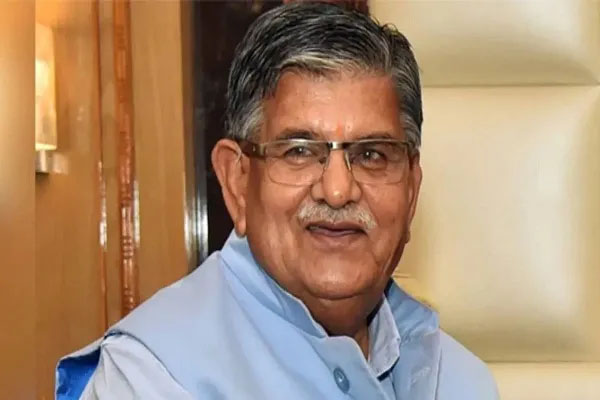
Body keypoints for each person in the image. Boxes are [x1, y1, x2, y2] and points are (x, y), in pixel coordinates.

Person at [56, 2, 498, 399]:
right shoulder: (152, 379)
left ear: (411, 191)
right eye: (299, 151)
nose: (338, 190)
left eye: (372, 155)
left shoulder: (457, 379)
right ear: (236, 181)